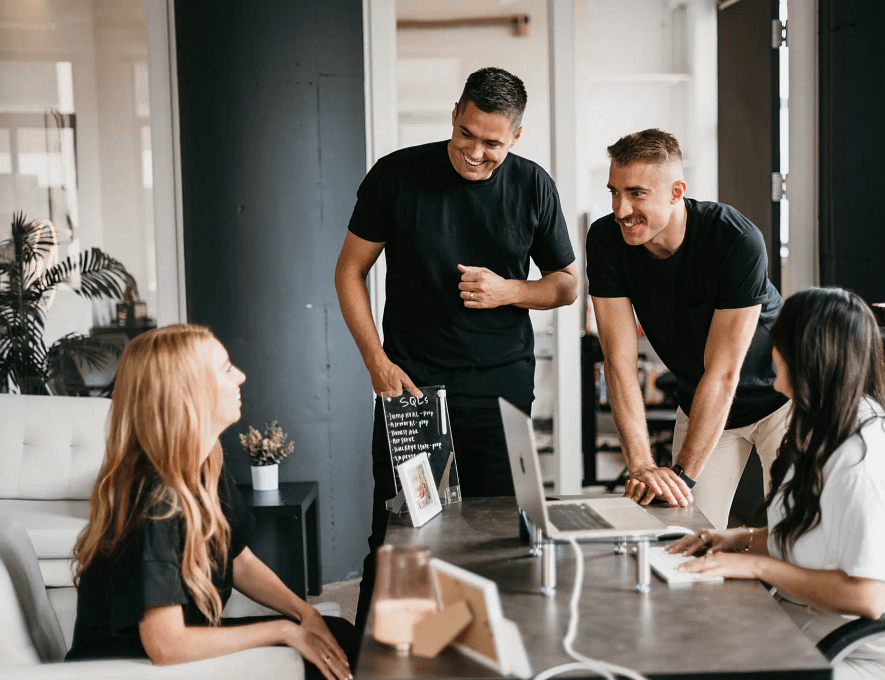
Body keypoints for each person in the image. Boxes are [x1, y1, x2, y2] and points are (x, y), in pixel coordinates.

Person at [335, 67, 578, 635]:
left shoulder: (532, 186)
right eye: (466, 133)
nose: (474, 151)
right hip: (413, 385)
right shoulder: (396, 176)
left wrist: (510, 291)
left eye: (491, 142)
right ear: (454, 114)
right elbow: (350, 272)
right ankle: (389, 657)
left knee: (498, 532)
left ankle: (485, 650)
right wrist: (376, 361)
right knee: (403, 531)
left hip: (501, 387)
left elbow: (567, 283)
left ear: (515, 137)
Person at [670, 288, 885, 680]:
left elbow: (866, 597)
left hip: (872, 660)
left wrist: (756, 567)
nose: (769, 353)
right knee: (689, 638)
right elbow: (812, 536)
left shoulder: (865, 461)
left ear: (807, 357)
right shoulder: (817, 425)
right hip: (812, 632)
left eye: (777, 343)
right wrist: (742, 539)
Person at [65, 324, 356, 680]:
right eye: (225, 368)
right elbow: (166, 646)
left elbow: (238, 559)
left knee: (339, 636)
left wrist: (303, 613)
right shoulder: (154, 500)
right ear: (186, 392)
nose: (241, 376)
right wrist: (285, 631)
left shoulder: (204, 466)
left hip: (172, 654)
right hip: (130, 669)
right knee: (325, 659)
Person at [586, 128, 790, 530]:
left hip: (782, 398)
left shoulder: (735, 239)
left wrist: (681, 474)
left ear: (677, 191)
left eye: (636, 193)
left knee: (795, 537)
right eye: (614, 192)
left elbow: (724, 372)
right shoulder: (606, 240)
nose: (620, 209)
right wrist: (643, 465)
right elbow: (619, 362)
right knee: (682, 534)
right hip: (702, 400)